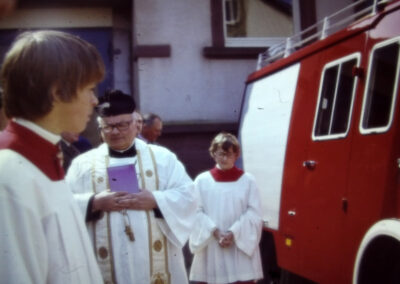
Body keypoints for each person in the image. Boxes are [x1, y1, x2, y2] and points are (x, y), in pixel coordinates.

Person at [0, 30, 105, 283]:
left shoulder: (45, 155)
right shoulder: (10, 175)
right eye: (89, 89)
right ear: (57, 92)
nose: (95, 101)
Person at [66, 89, 197, 284]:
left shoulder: (163, 159)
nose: (115, 131)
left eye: (122, 125)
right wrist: (94, 203)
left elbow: (189, 196)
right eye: (107, 127)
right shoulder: (82, 164)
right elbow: (63, 204)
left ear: (136, 124)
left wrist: (155, 200)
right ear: (100, 128)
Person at [189, 132, 264, 284]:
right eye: (221, 154)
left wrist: (233, 232)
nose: (224, 158)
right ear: (213, 154)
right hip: (212, 243)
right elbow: (194, 212)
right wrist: (215, 232)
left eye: (229, 154)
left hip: (239, 244)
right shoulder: (202, 181)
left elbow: (254, 212)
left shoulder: (248, 180)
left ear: (236, 155)